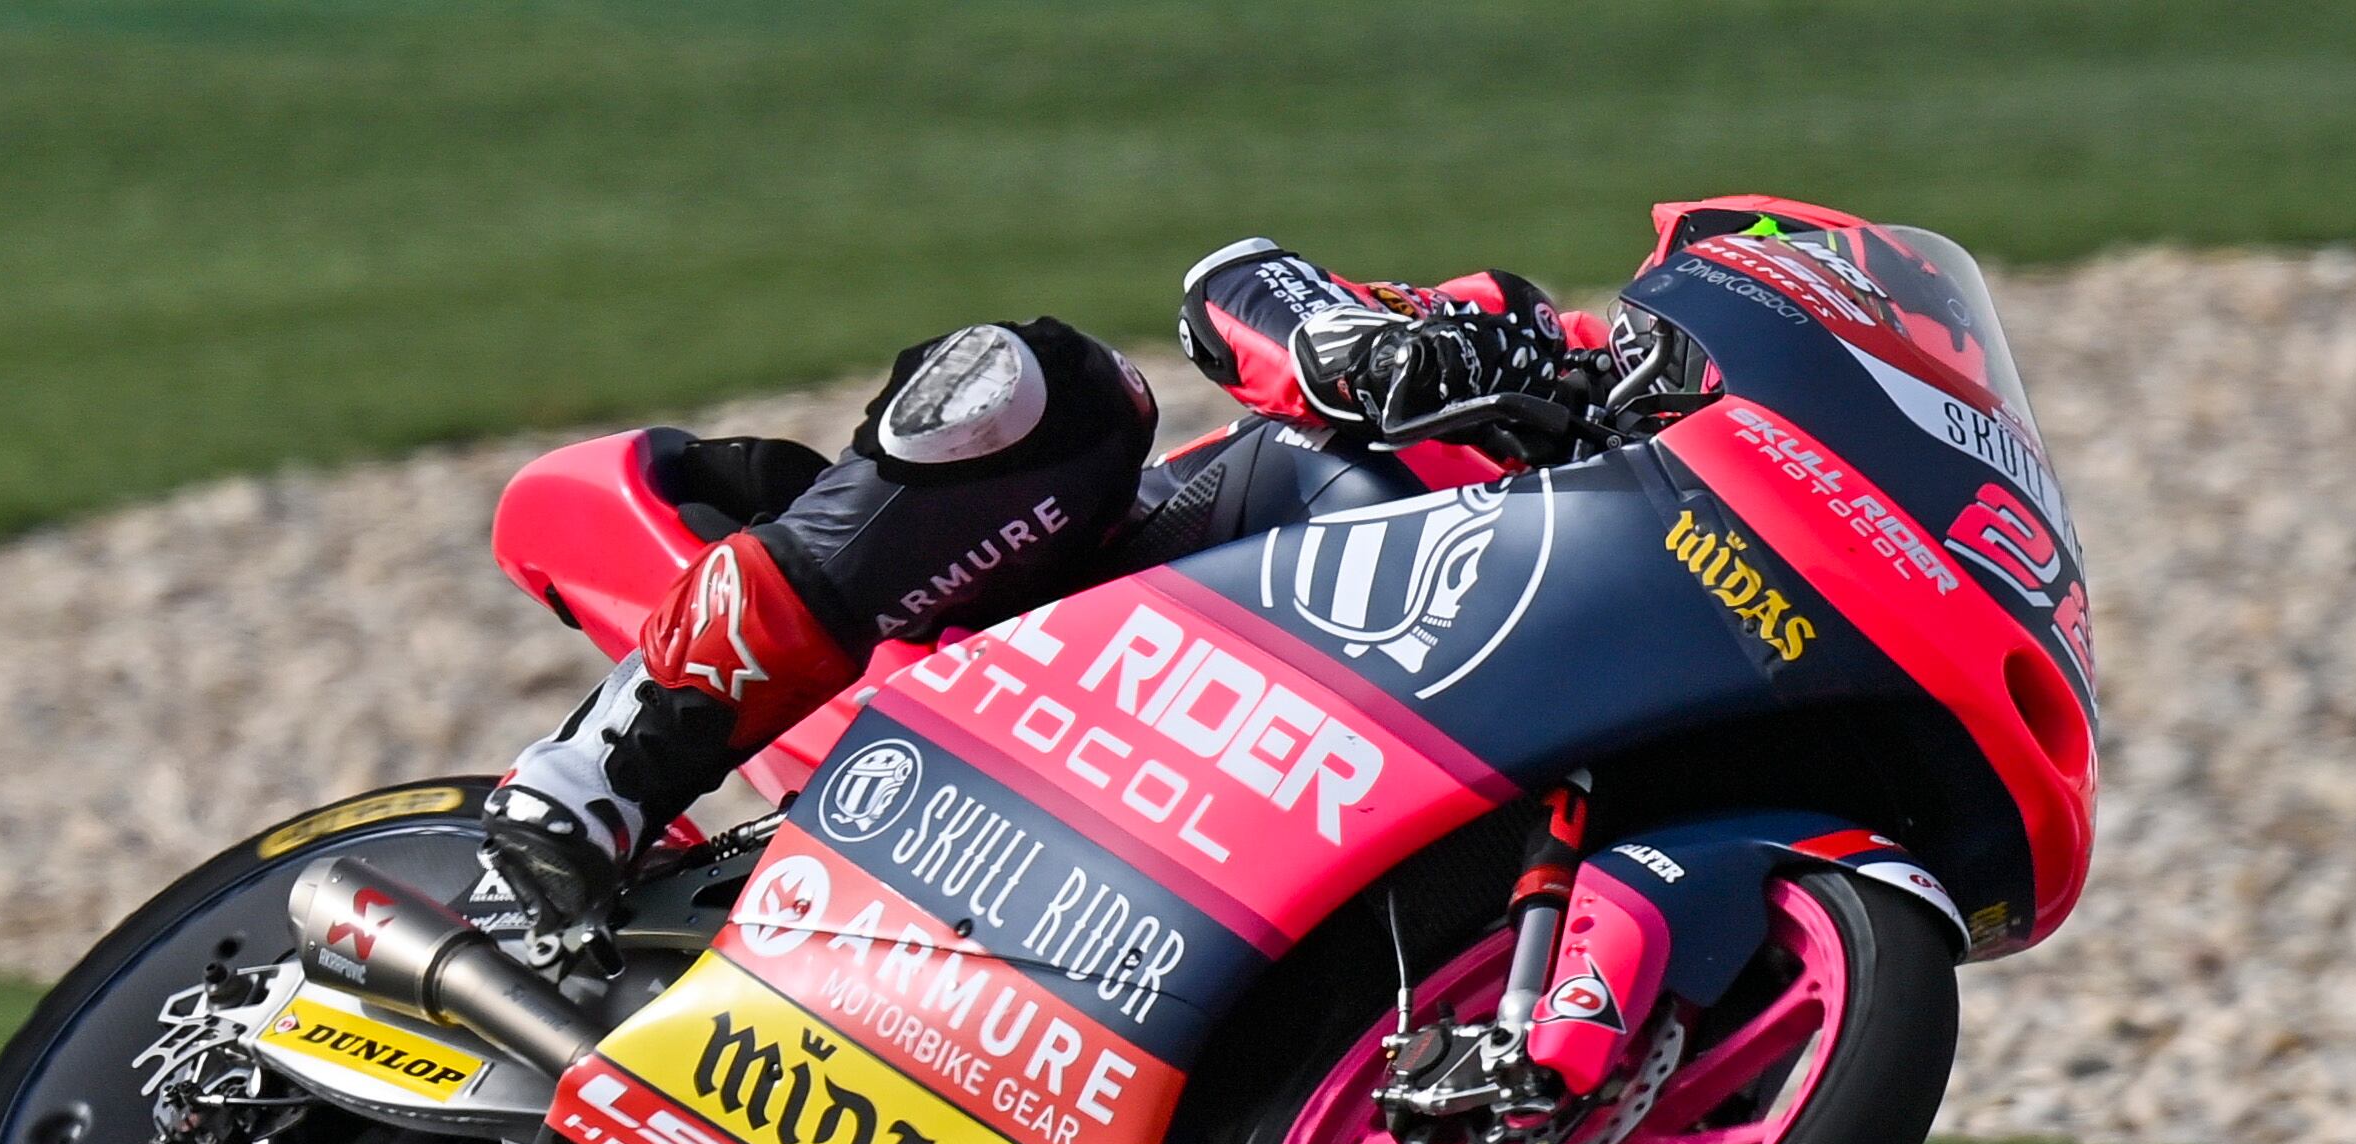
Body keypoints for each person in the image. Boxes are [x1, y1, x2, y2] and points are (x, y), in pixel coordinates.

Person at [475, 237, 1606, 936]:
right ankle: (609, 770)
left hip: (1259, 854)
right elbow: (1240, 280)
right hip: (1059, 651)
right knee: (1049, 388)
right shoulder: (1551, 358)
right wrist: (1359, 346)